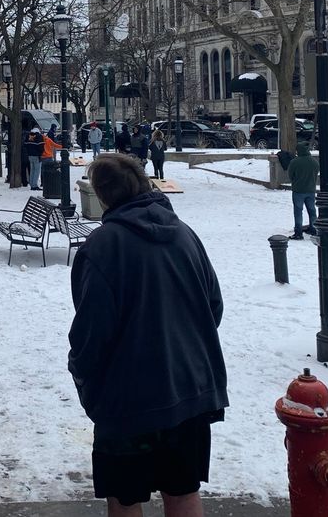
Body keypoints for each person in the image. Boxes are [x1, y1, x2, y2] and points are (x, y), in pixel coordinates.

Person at [68, 154, 227, 517]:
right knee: (183, 491)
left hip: (127, 400)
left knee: (124, 498)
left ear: (104, 196)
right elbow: (213, 307)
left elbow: (92, 334)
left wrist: (83, 375)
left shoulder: (102, 247)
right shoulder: (186, 234)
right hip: (189, 390)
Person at [286, 139, 319, 240]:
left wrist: (295, 182)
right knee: (312, 210)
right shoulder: (314, 162)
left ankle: (298, 232)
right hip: (311, 190)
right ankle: (314, 228)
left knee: (298, 211)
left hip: (298, 190)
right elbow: (316, 173)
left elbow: (290, 175)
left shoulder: (294, 162)